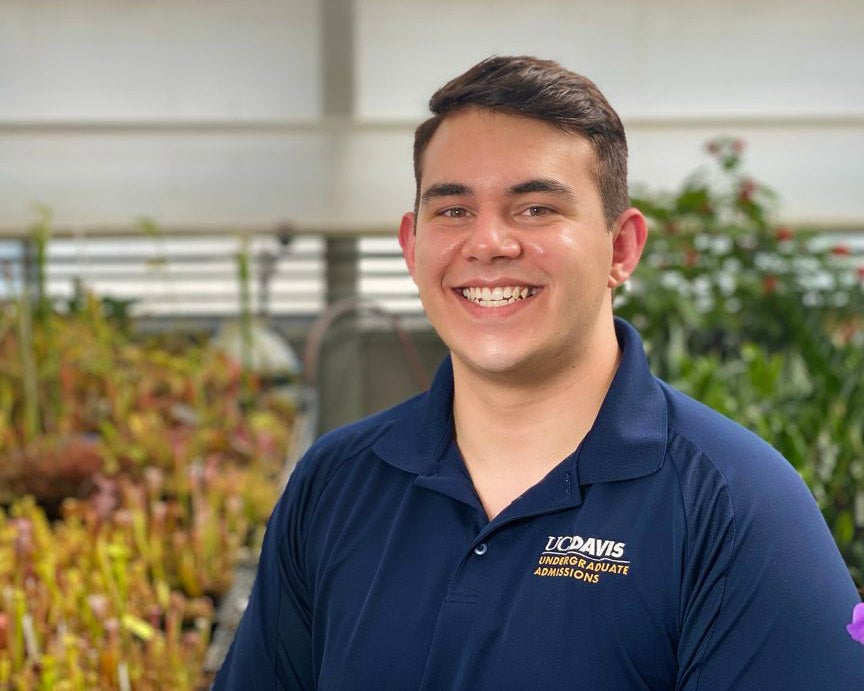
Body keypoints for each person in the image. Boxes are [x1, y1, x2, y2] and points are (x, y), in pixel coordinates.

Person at [214, 56, 864, 689]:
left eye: (535, 209)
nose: (489, 242)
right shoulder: (335, 483)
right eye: (454, 210)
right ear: (412, 248)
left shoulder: (736, 507)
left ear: (623, 246)